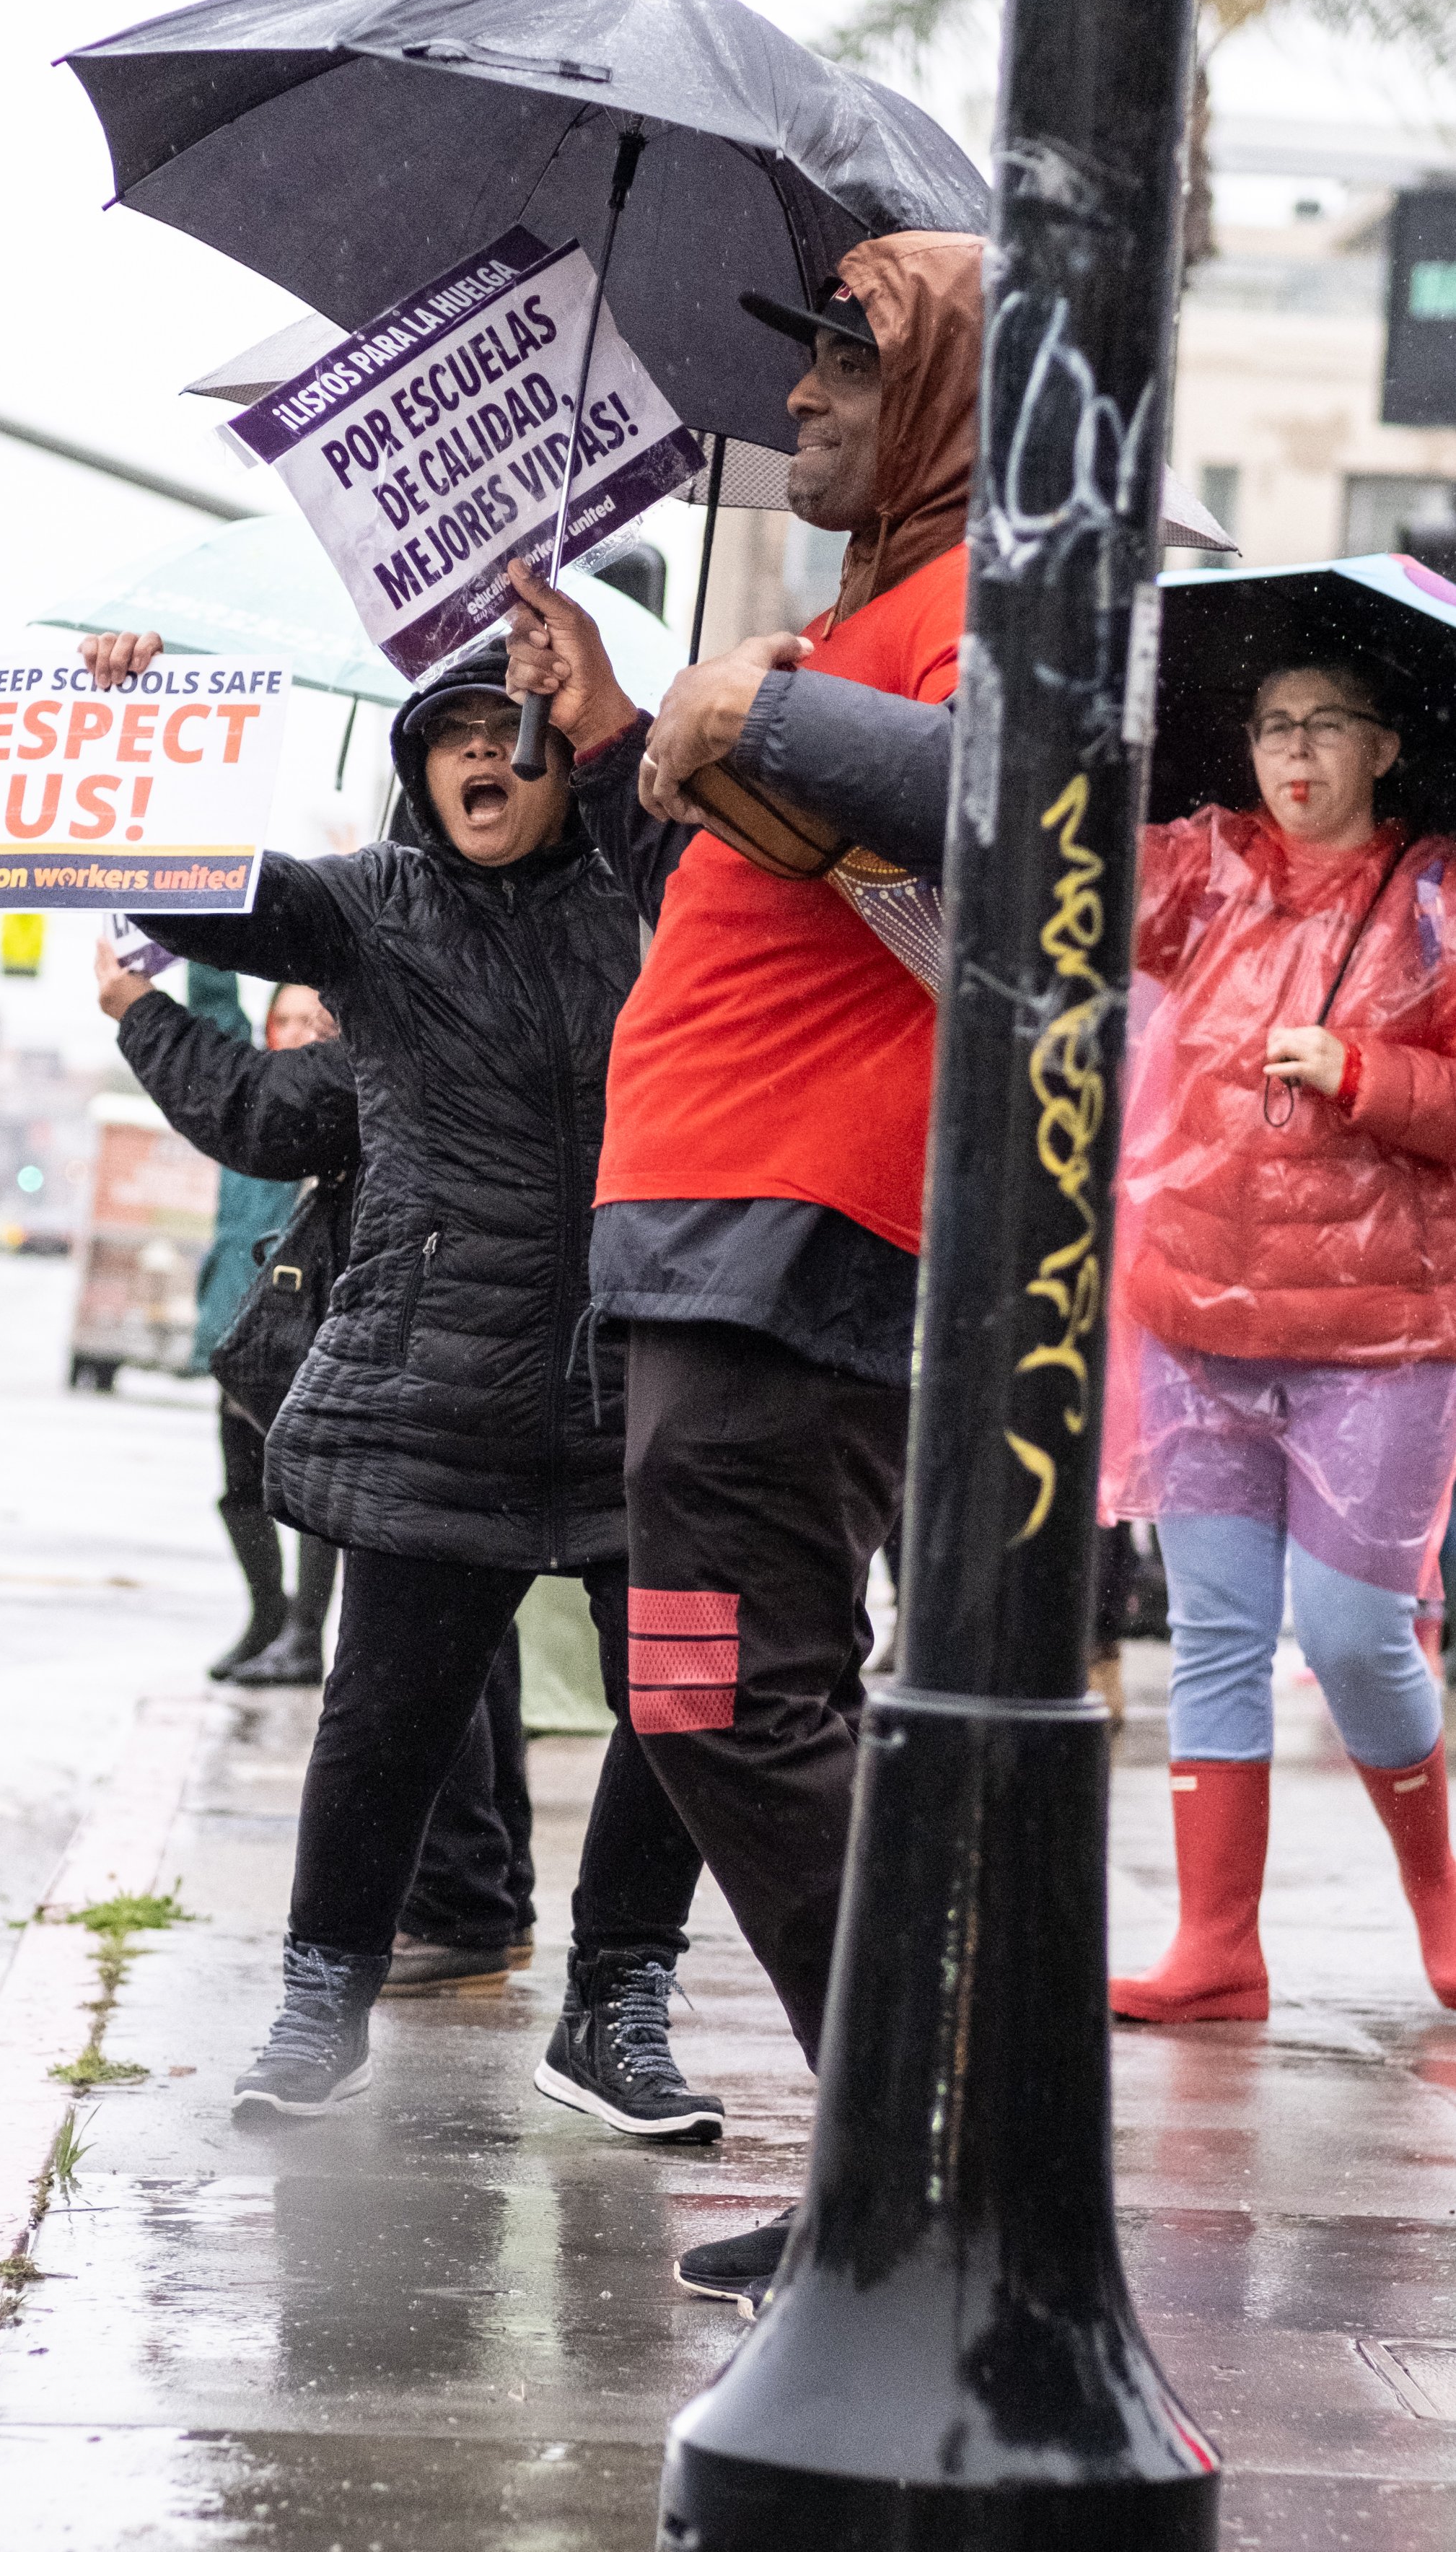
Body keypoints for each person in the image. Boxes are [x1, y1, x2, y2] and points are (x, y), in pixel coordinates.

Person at [506, 227, 979, 2310]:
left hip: (795, 1241)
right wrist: (639, 735)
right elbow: (772, 881)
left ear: (954, 394)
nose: (795, 394)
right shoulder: (872, 606)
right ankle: (910, 2159)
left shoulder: (984, 606)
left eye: (847, 363)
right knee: (738, 1690)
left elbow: (1021, 815)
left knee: (730, 1694)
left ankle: (928, 2168)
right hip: (719, 1245)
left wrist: (767, 699)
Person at [85, 628, 716, 2137]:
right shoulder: (368, 908)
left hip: (659, 1378)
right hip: (442, 1387)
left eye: (516, 731)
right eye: (454, 737)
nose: (486, 756)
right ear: (417, 771)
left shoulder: (663, 900)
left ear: (571, 759)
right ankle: (321, 1993)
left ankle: (617, 2002)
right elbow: (199, 895)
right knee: (382, 1716)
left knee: (694, 1704)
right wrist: (138, 722)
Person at [1103, 659, 1456, 2022]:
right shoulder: (1201, 874)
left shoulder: (1433, 897)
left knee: (1359, 1632)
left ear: (1381, 744)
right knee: (1216, 1633)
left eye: (1323, 725)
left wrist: (1365, 1073)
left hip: (1382, 1336)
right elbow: (1060, 885)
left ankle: (1439, 1900)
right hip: (1195, 1319)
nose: (1292, 751)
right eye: (1270, 726)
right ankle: (1217, 1949)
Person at [94, 939, 537, 1993]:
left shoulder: (424, 1016)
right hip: (470, 1360)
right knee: (463, 1647)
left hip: (432, 1368)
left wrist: (136, 1001)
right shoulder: (512, 980)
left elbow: (257, 1106)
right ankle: (487, 1898)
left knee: (409, 1658)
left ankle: (463, 1904)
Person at [174, 970, 343, 1686]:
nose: (299, 1031)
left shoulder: (341, 1104)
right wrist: (197, 901)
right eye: (287, 1019)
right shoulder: (247, 1101)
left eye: (314, 1019)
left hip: (309, 1333)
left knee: (308, 1495)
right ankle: (266, 1618)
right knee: (239, 1488)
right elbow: (213, 1014)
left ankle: (305, 1637)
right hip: (239, 1333)